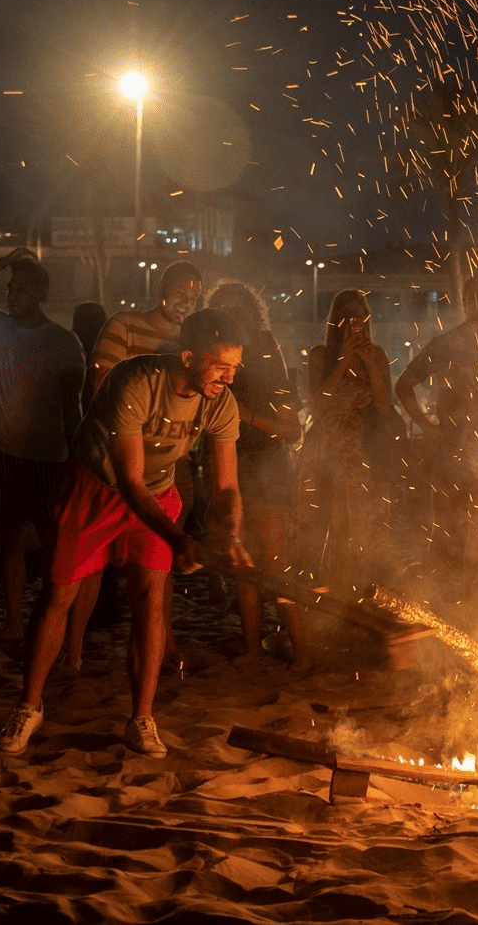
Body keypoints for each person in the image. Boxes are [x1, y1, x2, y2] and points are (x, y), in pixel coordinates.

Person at [0, 309, 250, 758]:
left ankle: (142, 717)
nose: (228, 379)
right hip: (94, 488)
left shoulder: (220, 403)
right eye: (220, 366)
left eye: (235, 368)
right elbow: (128, 481)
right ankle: (28, 705)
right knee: (57, 596)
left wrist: (229, 535)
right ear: (188, 357)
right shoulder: (135, 382)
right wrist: (178, 538)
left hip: (158, 493)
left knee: (151, 599)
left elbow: (226, 486)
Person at [69, 262, 203, 669]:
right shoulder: (124, 326)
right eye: (180, 291)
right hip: (113, 463)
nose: (186, 301)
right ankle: (71, 651)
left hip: (168, 465)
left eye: (194, 295)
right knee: (91, 559)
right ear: (161, 289)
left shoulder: (192, 341)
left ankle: (164, 647)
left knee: (159, 558)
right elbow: (100, 387)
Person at [0, 248, 85, 642]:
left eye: (22, 289)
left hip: (48, 458)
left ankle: (54, 619)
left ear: (41, 295)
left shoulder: (64, 342)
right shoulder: (3, 327)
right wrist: (5, 261)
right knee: (10, 544)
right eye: (10, 288)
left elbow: (71, 406)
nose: (11, 294)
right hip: (6, 454)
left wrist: (76, 460)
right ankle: (13, 622)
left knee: (54, 545)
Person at [206, 279, 306, 666]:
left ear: (251, 315)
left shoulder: (263, 348)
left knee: (275, 565)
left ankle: (302, 654)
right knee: (242, 562)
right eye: (224, 312)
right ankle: (250, 649)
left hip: (267, 465)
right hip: (236, 465)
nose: (232, 319)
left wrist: (243, 414)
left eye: (238, 311)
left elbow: (291, 428)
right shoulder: (219, 353)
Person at [395, 271, 478, 568]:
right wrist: (428, 429)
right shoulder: (447, 344)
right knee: (446, 531)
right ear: (466, 302)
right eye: (476, 297)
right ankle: (441, 597)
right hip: (452, 452)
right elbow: (402, 385)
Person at [300, 289, 394, 589]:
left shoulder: (376, 354)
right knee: (333, 522)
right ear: (336, 322)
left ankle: (365, 586)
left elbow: (383, 405)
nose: (354, 322)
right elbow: (318, 405)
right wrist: (341, 363)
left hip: (362, 451)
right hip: (327, 450)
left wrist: (369, 364)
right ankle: (330, 586)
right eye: (346, 317)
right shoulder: (319, 355)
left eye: (359, 315)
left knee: (368, 524)